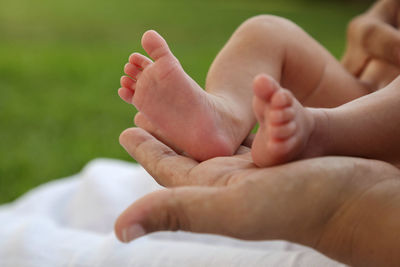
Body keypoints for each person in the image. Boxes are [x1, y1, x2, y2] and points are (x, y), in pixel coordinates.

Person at [117, 0, 400, 166]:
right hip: (360, 94)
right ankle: (223, 118)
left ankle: (315, 132)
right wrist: (374, 21)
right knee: (265, 31)